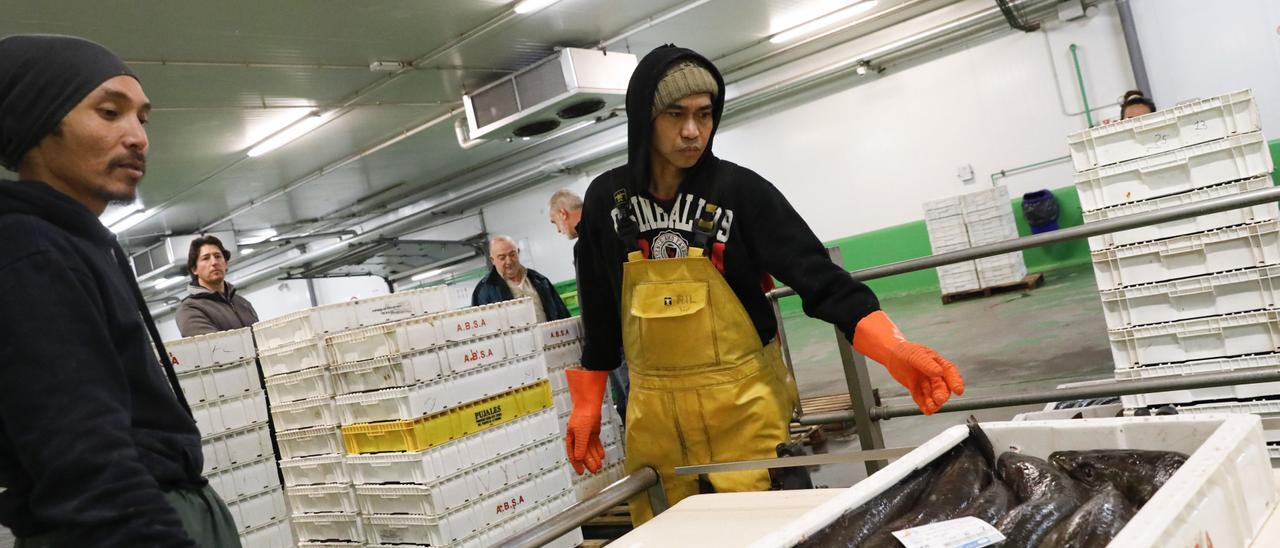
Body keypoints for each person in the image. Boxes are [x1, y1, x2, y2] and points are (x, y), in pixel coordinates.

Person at [565, 45, 965, 525]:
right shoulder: (606, 200)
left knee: (760, 528)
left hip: (743, 407)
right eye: (675, 115)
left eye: (704, 115)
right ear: (643, 118)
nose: (692, 131)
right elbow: (600, 309)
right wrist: (587, 403)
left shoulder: (741, 192)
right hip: (653, 417)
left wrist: (894, 348)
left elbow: (819, 279)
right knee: (667, 531)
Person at [0, 35, 240, 546]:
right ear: (38, 123)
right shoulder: (31, 252)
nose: (138, 137)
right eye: (109, 112)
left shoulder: (80, 244)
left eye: (142, 119)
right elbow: (85, 463)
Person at [548, 189, 630, 422]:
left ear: (563, 214)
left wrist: (594, 353)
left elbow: (593, 300)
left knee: (632, 404)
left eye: (555, 222)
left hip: (618, 340)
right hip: (634, 332)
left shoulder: (586, 243)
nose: (558, 230)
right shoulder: (612, 228)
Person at [471, 235, 570, 323]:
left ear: (518, 252)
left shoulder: (539, 280)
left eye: (512, 254)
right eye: (502, 257)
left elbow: (562, 314)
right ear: (492, 260)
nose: (509, 261)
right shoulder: (484, 291)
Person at [176, 235, 259, 337]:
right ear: (194, 269)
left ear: (226, 264)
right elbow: (215, 348)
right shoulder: (190, 309)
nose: (214, 262)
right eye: (206, 258)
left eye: (218, 256)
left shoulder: (242, 303)